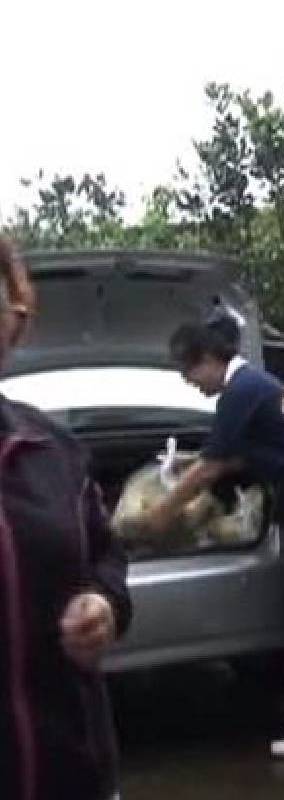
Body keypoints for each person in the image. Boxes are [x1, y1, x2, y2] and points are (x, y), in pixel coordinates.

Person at [141, 312, 284, 759]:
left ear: (207, 359)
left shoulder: (239, 391)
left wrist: (161, 513)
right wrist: (187, 462)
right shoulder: (254, 386)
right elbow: (237, 454)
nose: (192, 384)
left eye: (190, 374)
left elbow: (215, 466)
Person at [0, 236, 133, 800]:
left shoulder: (53, 448)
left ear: (14, 319)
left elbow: (104, 555)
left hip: (70, 768)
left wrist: (103, 602)